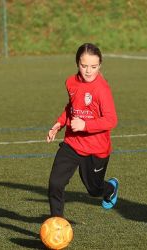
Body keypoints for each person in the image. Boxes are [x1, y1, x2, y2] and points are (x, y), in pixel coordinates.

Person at [46, 43, 119, 217]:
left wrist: (85, 125)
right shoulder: (71, 82)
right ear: (77, 63)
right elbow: (72, 106)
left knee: (94, 190)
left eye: (93, 67)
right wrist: (60, 123)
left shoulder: (102, 89)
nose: (88, 71)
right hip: (72, 143)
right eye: (84, 65)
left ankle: (110, 188)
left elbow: (111, 120)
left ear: (100, 65)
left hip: (96, 148)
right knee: (55, 184)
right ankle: (57, 223)